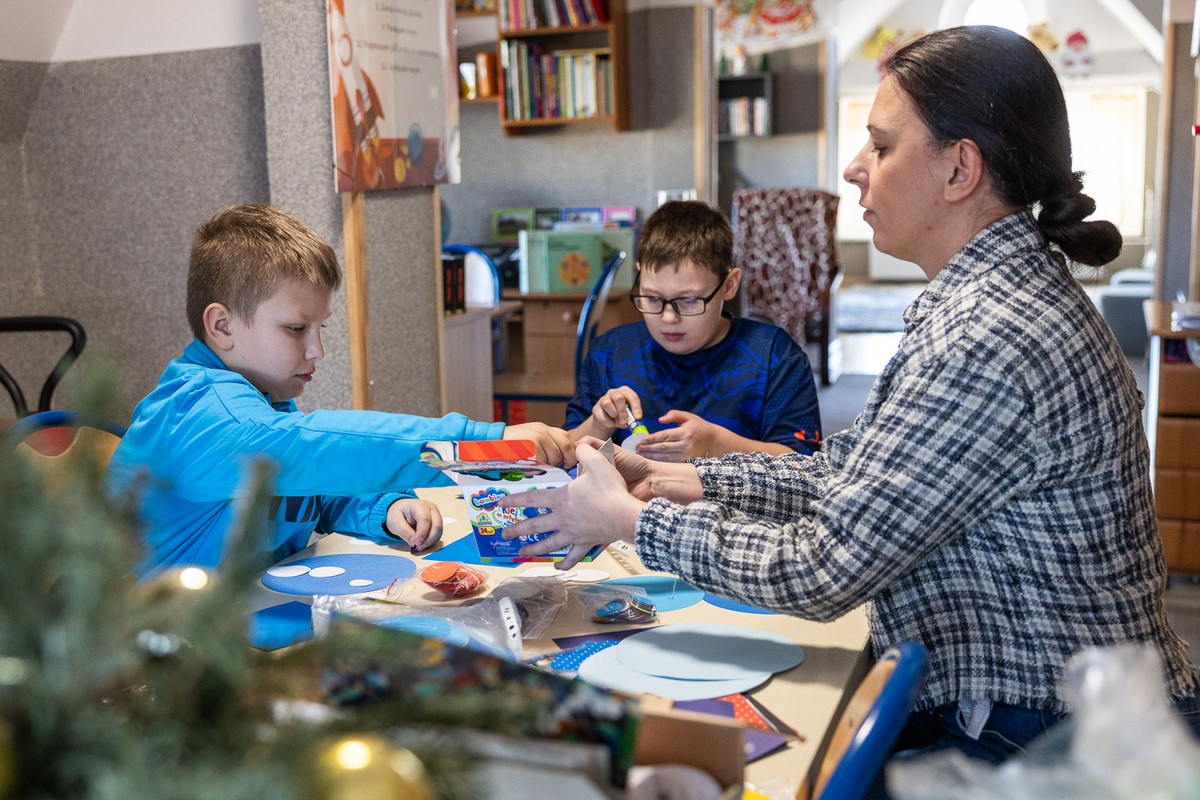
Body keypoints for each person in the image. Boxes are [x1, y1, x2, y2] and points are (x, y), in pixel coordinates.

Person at [499, 25, 1200, 768]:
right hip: (1047, 709)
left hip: (1046, 736)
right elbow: (853, 474)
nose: (854, 169)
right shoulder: (990, 297)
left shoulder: (989, 335)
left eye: (881, 145)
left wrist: (633, 519)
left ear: (960, 168)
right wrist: (687, 480)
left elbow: (822, 567)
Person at [108, 203, 574, 576]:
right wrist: (492, 445)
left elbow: (311, 489)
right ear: (222, 325)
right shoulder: (204, 414)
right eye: (295, 329)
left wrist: (385, 510)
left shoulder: (264, 402)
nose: (318, 350)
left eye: (320, 328)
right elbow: (325, 448)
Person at [566, 200, 822, 461]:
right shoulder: (611, 351)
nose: (668, 318)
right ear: (640, 276)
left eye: (688, 301)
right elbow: (566, 451)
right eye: (653, 298)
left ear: (729, 285)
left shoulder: (775, 356)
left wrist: (717, 443)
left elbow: (806, 465)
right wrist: (599, 424)